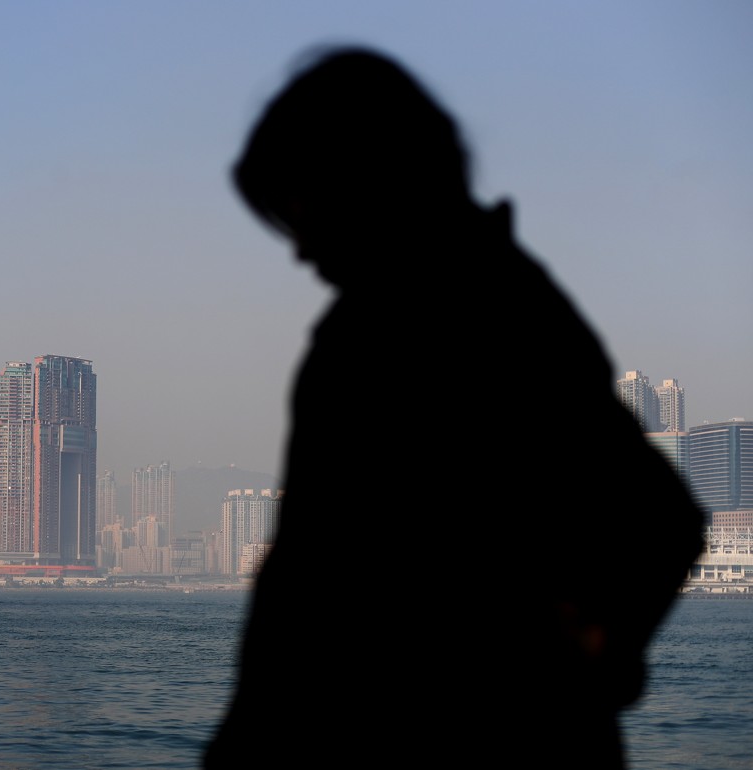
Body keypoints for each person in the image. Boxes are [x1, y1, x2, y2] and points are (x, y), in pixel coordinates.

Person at [204, 46, 703, 769]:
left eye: (299, 207)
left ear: (361, 173)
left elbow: (316, 595)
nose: (299, 249)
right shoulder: (505, 299)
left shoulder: (415, 320)